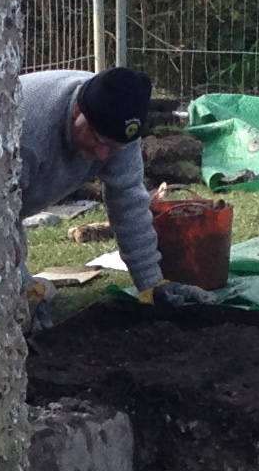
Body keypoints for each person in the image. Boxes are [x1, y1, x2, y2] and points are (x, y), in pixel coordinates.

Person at [18, 65, 176, 312]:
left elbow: (129, 205)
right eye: (98, 141)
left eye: (113, 147)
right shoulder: (25, 133)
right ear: (78, 111)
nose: (103, 154)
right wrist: (21, 286)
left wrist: (151, 285)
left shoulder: (117, 128)